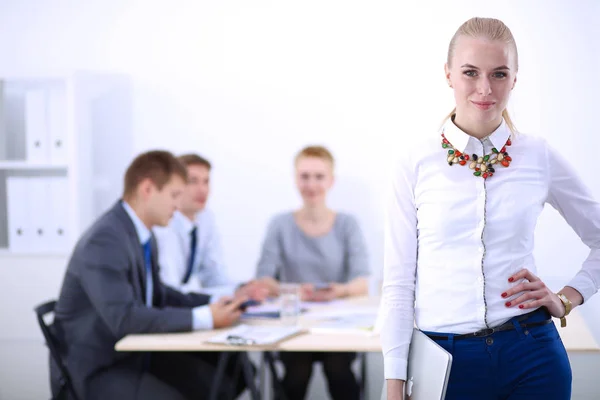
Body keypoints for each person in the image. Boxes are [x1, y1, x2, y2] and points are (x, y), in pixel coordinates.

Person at [381, 17, 600, 400]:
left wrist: (566, 298)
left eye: (499, 74)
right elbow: (399, 284)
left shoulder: (538, 156)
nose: (485, 88)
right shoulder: (414, 163)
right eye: (470, 72)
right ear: (448, 74)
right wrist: (394, 386)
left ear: (514, 78)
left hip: (533, 356)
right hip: (444, 362)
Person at [51, 150, 248, 400]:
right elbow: (124, 318)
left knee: (224, 380)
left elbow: (160, 295)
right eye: (174, 195)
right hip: (101, 367)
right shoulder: (105, 239)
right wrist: (205, 318)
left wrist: (213, 305)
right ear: (147, 189)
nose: (178, 205)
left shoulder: (142, 234)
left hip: (135, 355)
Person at [256, 145, 370, 400]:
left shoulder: (347, 225)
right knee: (297, 371)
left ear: (331, 181)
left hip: (338, 325)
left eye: (319, 176)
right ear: (296, 179)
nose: (311, 184)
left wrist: (339, 290)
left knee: (339, 369)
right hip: (294, 322)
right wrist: (294, 291)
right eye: (304, 176)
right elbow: (263, 279)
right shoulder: (280, 224)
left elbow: (362, 281)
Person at [154, 153, 268, 300]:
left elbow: (214, 276)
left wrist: (242, 288)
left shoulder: (205, 218)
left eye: (206, 182)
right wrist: (231, 294)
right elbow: (173, 292)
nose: (202, 190)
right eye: (192, 181)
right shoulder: (164, 225)